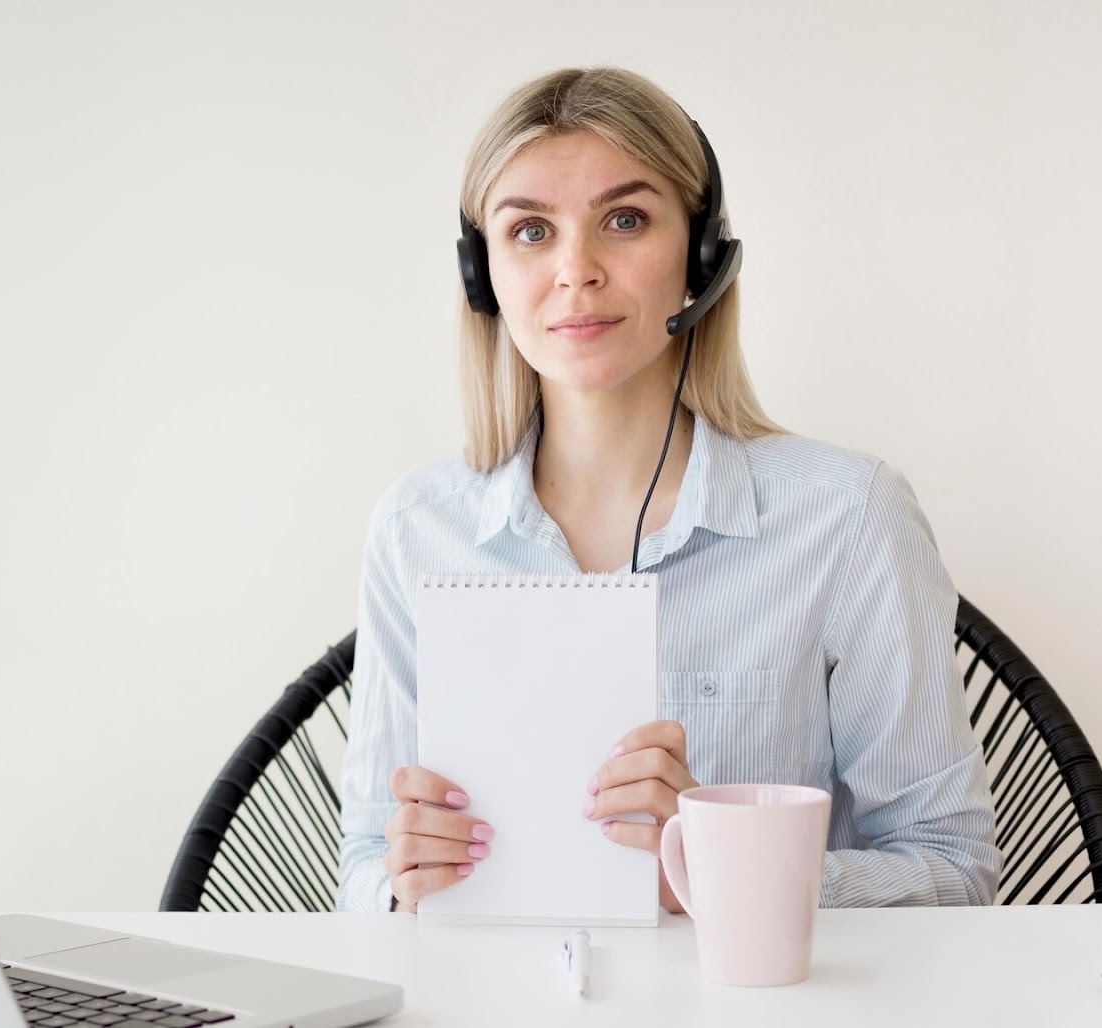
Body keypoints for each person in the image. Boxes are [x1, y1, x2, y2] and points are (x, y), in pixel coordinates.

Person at [336, 66, 1000, 914]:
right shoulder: (415, 527)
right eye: (530, 231)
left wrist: (719, 874)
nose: (576, 270)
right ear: (483, 276)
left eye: (624, 220)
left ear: (702, 256)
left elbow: (954, 869)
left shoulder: (849, 515)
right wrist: (398, 887)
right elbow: (361, 862)